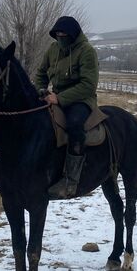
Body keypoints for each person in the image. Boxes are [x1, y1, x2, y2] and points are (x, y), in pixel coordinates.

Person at [35, 16, 99, 198]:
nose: (60, 37)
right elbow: (40, 73)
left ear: (73, 34)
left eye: (63, 34)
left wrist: (59, 99)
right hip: (54, 97)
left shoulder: (87, 51)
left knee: (74, 126)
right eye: (57, 34)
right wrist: (41, 90)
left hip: (81, 100)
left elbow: (89, 84)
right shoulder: (53, 49)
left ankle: (71, 180)